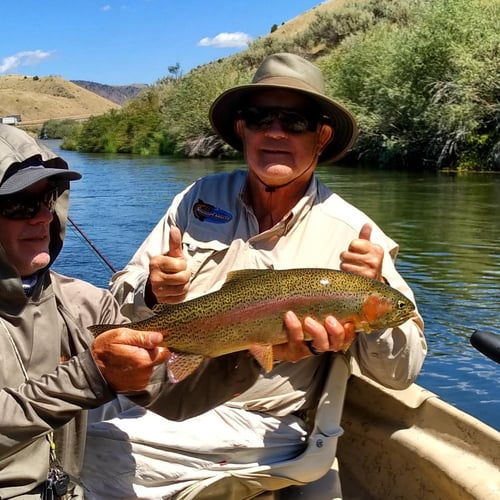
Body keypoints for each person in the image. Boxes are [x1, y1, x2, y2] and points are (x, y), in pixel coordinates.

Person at [83, 53, 427, 498]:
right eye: (260, 117)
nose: (276, 132)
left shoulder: (356, 237)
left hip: (257, 420)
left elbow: (402, 373)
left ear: (321, 136)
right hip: (157, 387)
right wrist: (151, 290)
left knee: (93, 451)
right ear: (243, 129)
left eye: (295, 120)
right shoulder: (197, 199)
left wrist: (374, 294)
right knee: (46, 421)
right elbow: (121, 296)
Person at [0, 124, 270, 499]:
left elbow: (176, 396)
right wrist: (91, 376)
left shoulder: (84, 304)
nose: (42, 218)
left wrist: (258, 343)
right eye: (18, 205)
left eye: (46, 200)